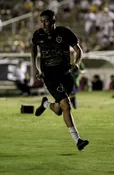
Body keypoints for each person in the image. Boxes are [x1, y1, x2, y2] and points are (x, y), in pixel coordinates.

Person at [31, 10, 89, 151]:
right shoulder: (38, 35)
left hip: (66, 75)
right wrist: (36, 69)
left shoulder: (64, 33)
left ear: (53, 20)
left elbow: (78, 50)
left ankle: (46, 104)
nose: (45, 24)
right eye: (42, 21)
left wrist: (76, 63)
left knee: (59, 110)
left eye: (47, 21)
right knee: (66, 105)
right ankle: (77, 140)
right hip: (50, 77)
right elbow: (33, 52)